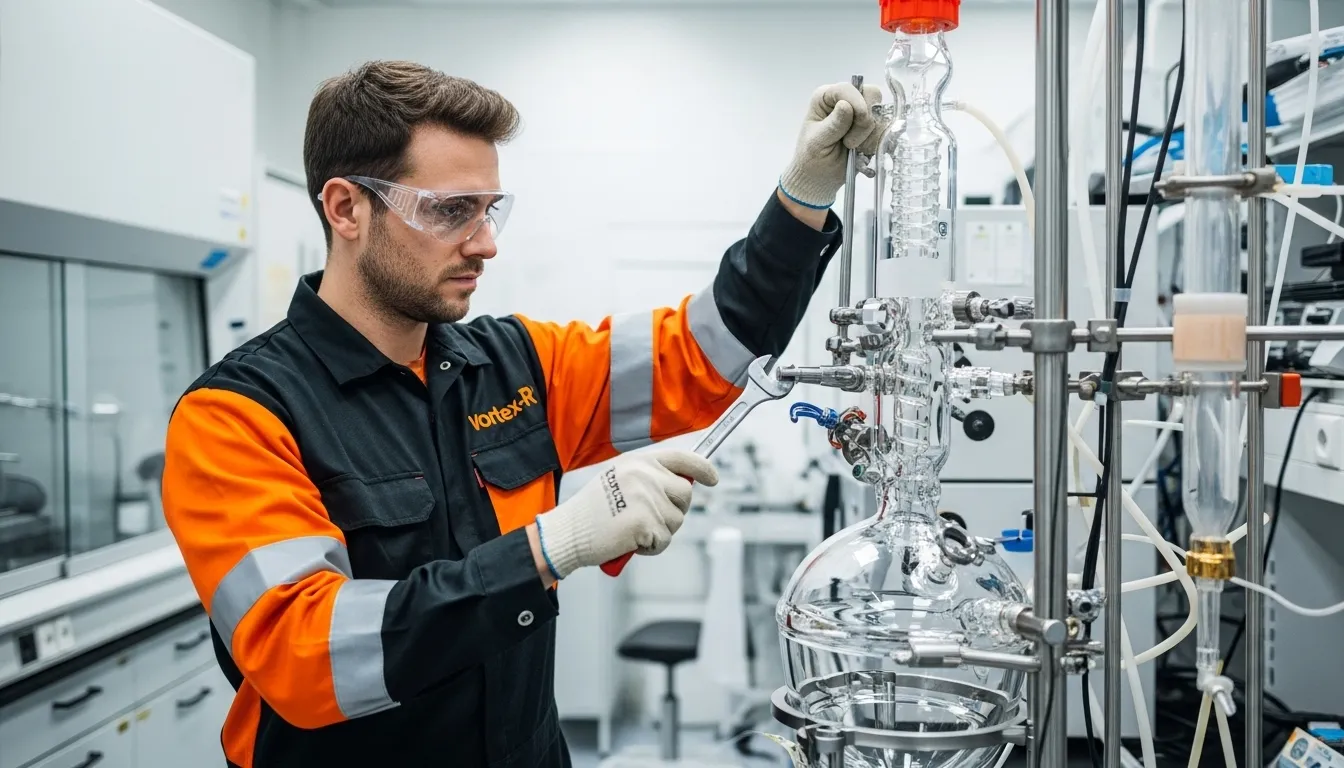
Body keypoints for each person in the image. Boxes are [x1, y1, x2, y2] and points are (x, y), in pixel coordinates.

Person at [162, 60, 883, 767]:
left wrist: (804, 194)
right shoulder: (237, 415)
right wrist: (547, 548)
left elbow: (708, 350)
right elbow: (308, 655)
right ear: (346, 208)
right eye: (450, 211)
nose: (485, 243)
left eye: (489, 209)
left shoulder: (515, 365)